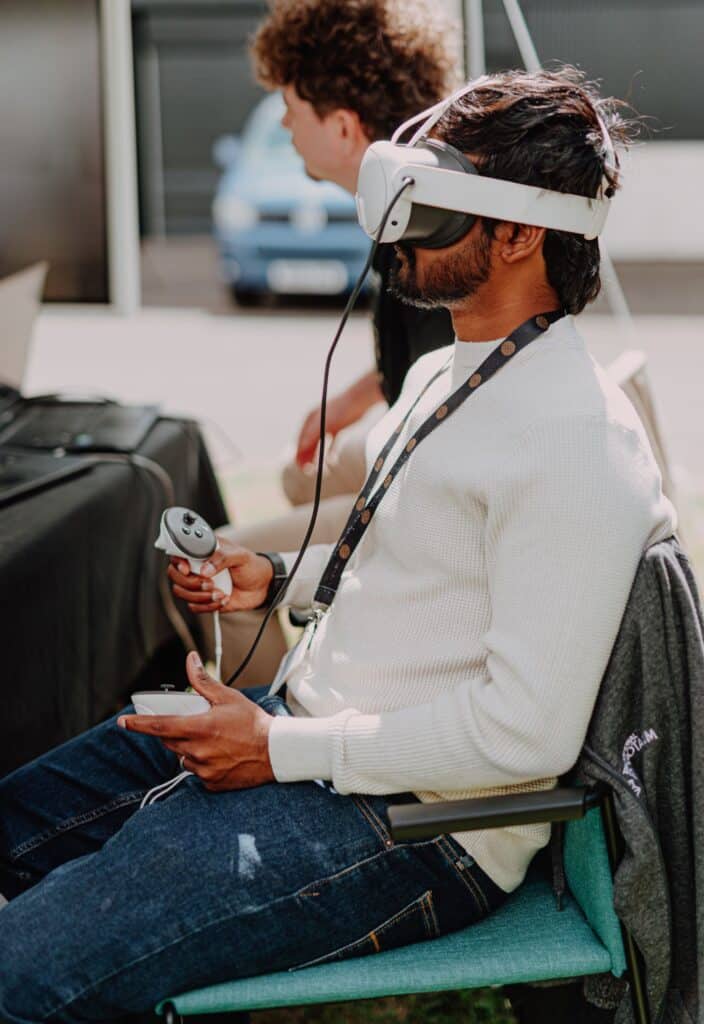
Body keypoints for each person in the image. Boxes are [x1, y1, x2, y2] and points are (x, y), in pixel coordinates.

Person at [0, 68, 676, 1022]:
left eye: (432, 201)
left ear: (522, 234)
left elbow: (523, 733)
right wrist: (276, 576)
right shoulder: (448, 371)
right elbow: (426, 564)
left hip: (416, 827)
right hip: (313, 735)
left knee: (23, 974)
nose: (396, 227)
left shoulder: (574, 439)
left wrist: (276, 748)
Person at [208, 0, 457, 685]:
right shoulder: (413, 199)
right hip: (408, 452)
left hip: (426, 491)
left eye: (291, 111)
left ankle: (262, 720)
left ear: (343, 127)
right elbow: (431, 349)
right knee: (298, 477)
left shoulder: (420, 235)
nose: (285, 126)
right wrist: (354, 398)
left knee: (215, 567)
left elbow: (447, 411)